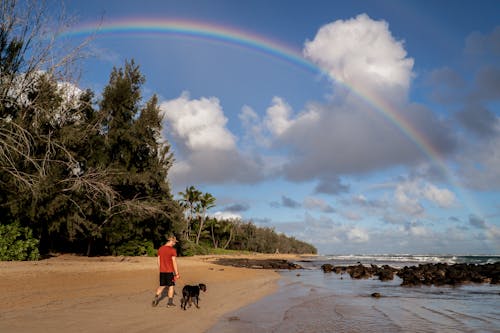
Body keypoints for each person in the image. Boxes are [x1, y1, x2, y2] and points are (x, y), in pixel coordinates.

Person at [152, 235, 180, 307]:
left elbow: (158, 260)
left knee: (162, 285)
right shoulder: (172, 250)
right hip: (169, 271)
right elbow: (174, 262)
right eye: (174, 242)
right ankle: (169, 303)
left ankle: (156, 297)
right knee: (171, 286)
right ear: (171, 241)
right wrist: (177, 273)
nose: (175, 244)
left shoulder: (160, 249)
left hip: (162, 271)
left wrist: (161, 268)